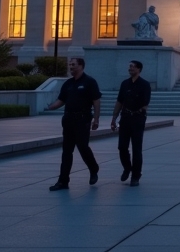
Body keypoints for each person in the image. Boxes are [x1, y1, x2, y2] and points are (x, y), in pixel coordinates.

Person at [44, 57, 102, 190]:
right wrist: (50, 107)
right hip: (69, 120)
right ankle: (63, 181)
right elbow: (61, 100)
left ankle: (93, 168)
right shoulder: (68, 84)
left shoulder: (89, 82)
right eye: (70, 65)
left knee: (83, 147)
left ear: (81, 66)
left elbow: (96, 101)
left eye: (73, 65)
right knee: (67, 151)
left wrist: (96, 119)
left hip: (83, 120)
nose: (71, 67)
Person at [109, 59, 151, 187]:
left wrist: (139, 112)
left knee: (136, 149)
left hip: (137, 119)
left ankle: (136, 176)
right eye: (129, 67)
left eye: (132, 67)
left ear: (139, 69)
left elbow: (146, 103)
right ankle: (127, 167)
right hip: (125, 118)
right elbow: (119, 101)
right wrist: (114, 118)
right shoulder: (125, 84)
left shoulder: (144, 84)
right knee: (122, 147)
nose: (130, 69)